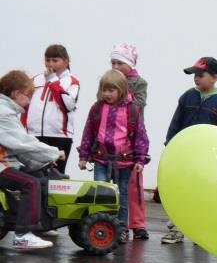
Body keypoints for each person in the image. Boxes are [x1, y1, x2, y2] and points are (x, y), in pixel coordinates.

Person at [161, 57, 217, 244]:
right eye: (194, 75)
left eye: (201, 75)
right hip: (184, 156)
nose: (196, 78)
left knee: (202, 195)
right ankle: (177, 228)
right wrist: (170, 144)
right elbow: (175, 123)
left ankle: (200, 231)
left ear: (215, 77)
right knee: (181, 192)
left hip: (206, 161)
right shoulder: (187, 97)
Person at [77, 69, 151, 243]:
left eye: (111, 90)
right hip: (101, 159)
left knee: (122, 195)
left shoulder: (132, 110)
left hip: (124, 162)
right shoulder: (97, 108)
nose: (107, 94)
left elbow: (140, 135)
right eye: (104, 90)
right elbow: (88, 132)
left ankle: (121, 229)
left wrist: (140, 159)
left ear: (122, 90)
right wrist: (83, 155)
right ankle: (98, 225)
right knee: (100, 193)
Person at [0, 70, 62, 250]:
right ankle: (22, 235)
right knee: (31, 183)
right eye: (28, 96)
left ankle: (41, 223)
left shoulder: (6, 110)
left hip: (5, 162)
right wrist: (54, 153)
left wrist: (42, 160)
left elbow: (17, 146)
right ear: (17, 94)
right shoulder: (4, 113)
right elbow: (22, 143)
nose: (29, 101)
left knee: (39, 176)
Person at [24, 44, 79, 174]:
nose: (50, 64)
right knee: (33, 174)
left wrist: (53, 81)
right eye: (47, 60)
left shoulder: (72, 81)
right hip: (34, 135)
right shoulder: (36, 80)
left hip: (59, 136)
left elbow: (67, 105)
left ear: (66, 61)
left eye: (55, 60)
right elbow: (25, 105)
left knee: (55, 177)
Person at [105, 43, 147, 116]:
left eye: (120, 63)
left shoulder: (139, 83)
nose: (115, 67)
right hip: (110, 122)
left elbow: (140, 104)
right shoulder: (108, 80)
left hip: (131, 124)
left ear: (130, 64)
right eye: (113, 63)